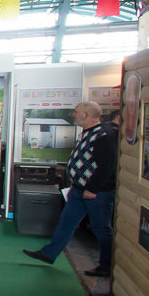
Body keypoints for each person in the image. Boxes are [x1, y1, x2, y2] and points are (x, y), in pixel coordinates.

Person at [23, 101, 116, 276]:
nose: (73, 114)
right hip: (79, 190)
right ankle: (49, 253)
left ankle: (107, 266)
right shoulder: (88, 133)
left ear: (86, 114)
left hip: (97, 193)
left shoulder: (103, 135)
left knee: (101, 228)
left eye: (76, 111)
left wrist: (93, 189)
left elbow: (107, 166)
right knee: (66, 222)